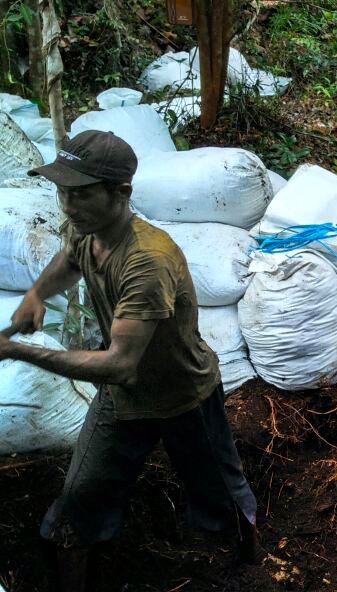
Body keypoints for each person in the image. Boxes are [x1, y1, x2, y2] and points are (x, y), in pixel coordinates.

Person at [0, 131, 263, 592]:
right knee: (80, 498)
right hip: (123, 399)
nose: (67, 204)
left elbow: (120, 363)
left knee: (219, 492)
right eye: (62, 191)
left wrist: (19, 351)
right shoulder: (90, 232)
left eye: (80, 194)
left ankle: (250, 562)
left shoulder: (146, 261)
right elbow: (71, 259)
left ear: (121, 193)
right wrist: (37, 293)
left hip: (183, 394)